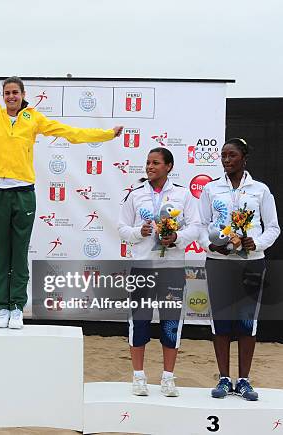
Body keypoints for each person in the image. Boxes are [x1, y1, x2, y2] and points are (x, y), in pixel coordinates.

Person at [0, 36, 122, 329]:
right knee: (1, 253)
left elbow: (70, 132)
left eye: (15, 92)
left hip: (23, 193)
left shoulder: (33, 119)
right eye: (7, 92)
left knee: (19, 252)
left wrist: (105, 134)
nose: (11, 96)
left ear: (24, 94)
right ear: (2, 96)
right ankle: (2, 308)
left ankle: (16, 308)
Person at [198, 138, 280, 401]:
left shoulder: (260, 190)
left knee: (247, 321)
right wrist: (211, 246)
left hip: (252, 263)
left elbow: (274, 228)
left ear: (244, 158)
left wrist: (256, 242)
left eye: (231, 155)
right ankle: (224, 379)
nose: (226, 159)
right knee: (220, 321)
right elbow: (201, 226)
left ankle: (243, 380)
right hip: (219, 264)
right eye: (223, 155)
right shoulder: (211, 189)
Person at [118, 147, 200, 397]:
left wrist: (176, 238)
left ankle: (167, 378)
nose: (150, 167)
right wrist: (137, 233)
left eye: (155, 163)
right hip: (142, 267)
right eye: (148, 163)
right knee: (139, 322)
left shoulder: (183, 195)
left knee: (171, 324)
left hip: (172, 269)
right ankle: (139, 377)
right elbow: (122, 227)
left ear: (169, 167)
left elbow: (196, 227)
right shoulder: (135, 195)